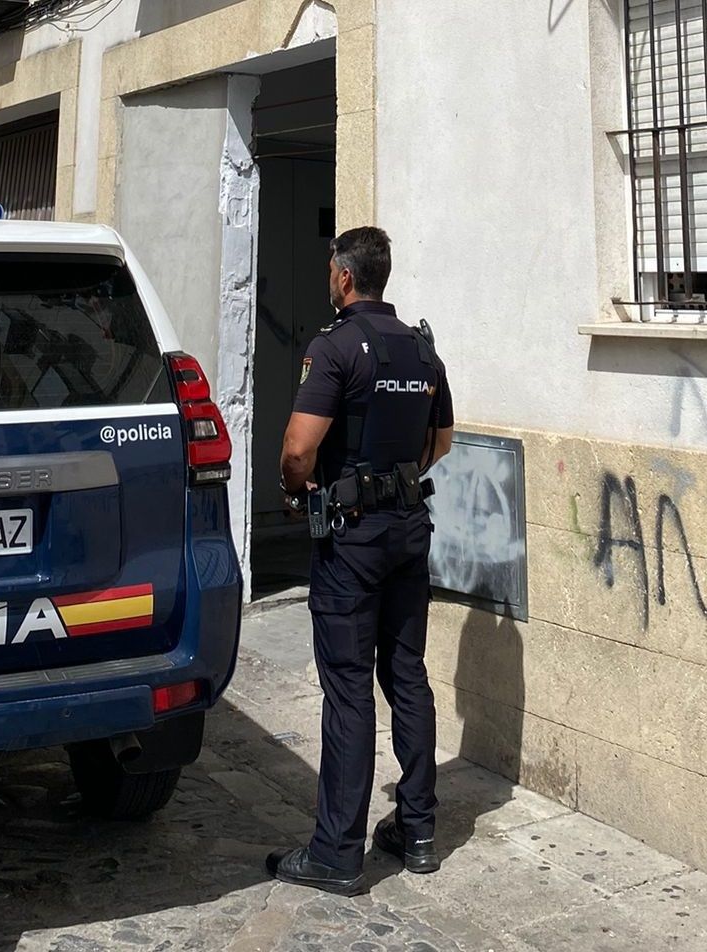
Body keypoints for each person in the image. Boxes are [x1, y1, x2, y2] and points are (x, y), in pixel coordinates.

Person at [266, 226, 455, 896]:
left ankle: (337, 852)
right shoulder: (421, 349)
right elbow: (444, 439)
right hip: (409, 528)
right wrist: (398, 480)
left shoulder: (336, 347)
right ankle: (419, 829)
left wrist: (300, 489)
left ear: (345, 277)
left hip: (353, 536)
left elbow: (297, 447)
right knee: (407, 674)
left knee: (347, 688)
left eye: (330, 269)